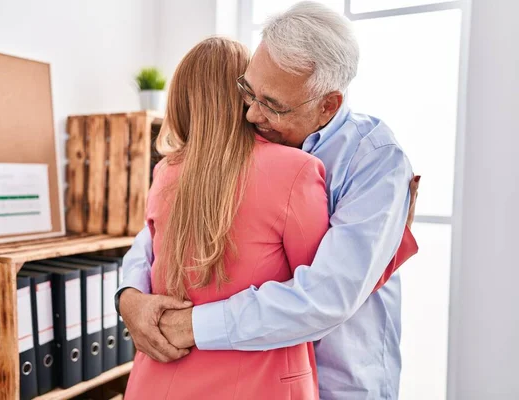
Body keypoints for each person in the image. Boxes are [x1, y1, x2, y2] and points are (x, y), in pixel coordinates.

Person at [119, 2, 420, 399]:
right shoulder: (232, 156)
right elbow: (155, 233)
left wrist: (192, 325)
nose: (250, 114)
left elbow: (327, 296)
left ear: (328, 104)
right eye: (248, 92)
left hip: (342, 378)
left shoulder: (374, 159)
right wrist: (129, 295)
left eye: (272, 105)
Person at [124, 36, 328, 399]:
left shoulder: (165, 172)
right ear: (248, 94)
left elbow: (146, 256)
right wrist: (393, 240)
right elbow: (324, 292)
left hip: (157, 381)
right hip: (258, 385)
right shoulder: (296, 170)